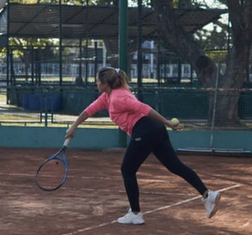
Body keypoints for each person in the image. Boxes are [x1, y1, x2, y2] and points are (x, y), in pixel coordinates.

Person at [65, 67, 220, 225]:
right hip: (154, 130)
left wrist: (166, 122)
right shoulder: (107, 96)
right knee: (174, 165)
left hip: (145, 130)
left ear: (106, 83)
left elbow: (143, 108)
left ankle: (135, 213)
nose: (96, 83)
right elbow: (89, 110)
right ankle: (208, 195)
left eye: (98, 81)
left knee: (127, 169)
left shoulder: (119, 97)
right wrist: (74, 126)